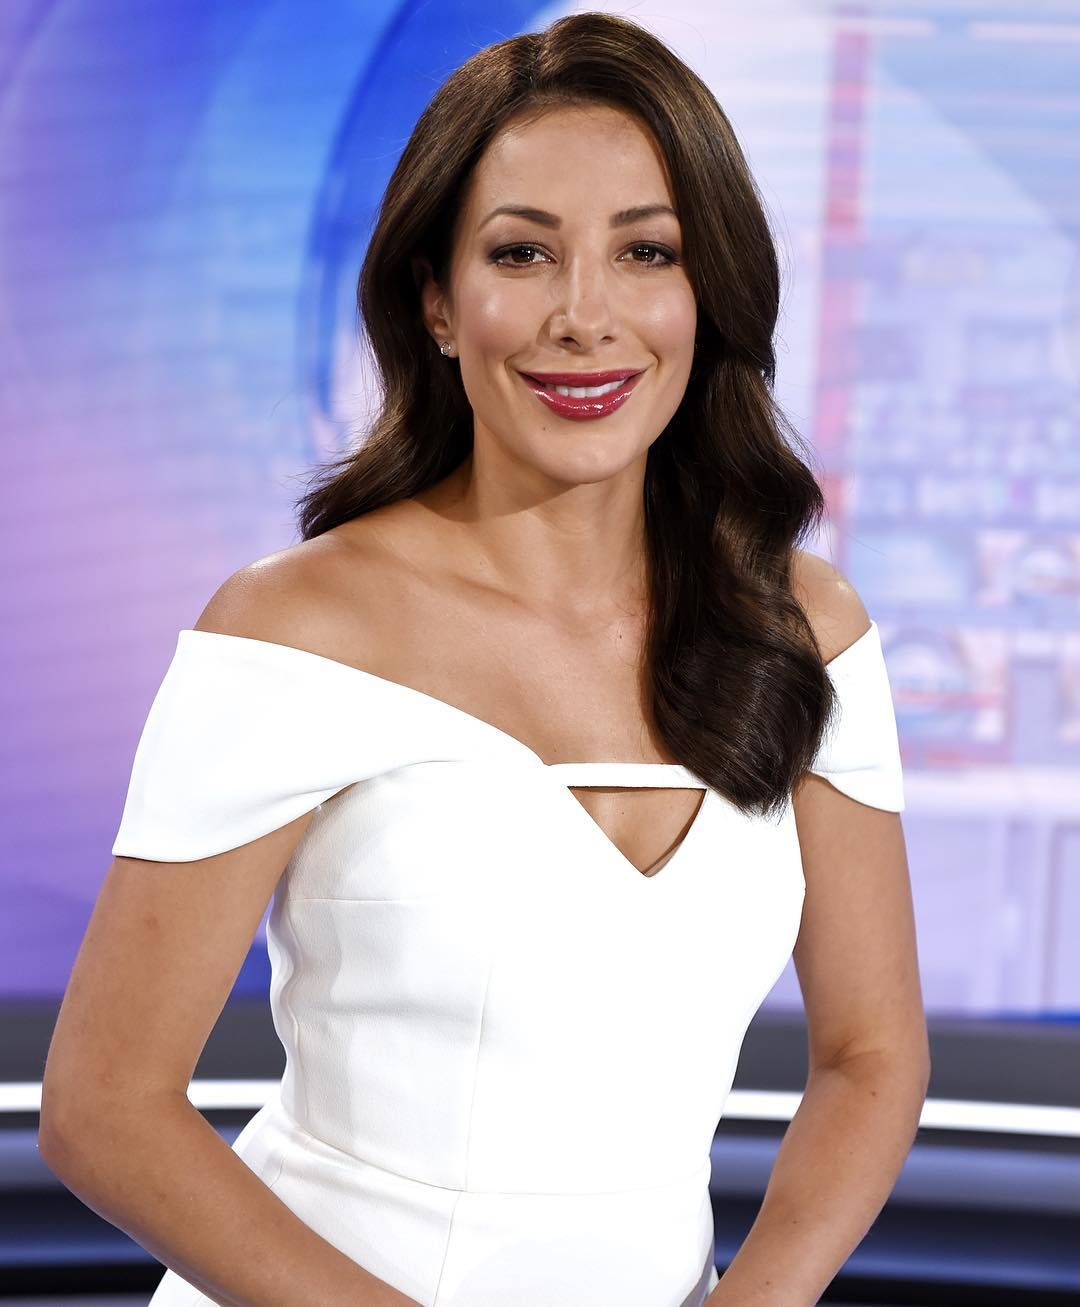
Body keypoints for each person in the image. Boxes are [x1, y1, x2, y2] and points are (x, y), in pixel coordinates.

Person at [39, 12, 929, 1307]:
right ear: (439, 304)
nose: (586, 316)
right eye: (523, 253)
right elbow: (104, 1105)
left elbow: (870, 1056)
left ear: (707, 293)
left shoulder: (807, 628)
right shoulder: (297, 627)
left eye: (646, 251)